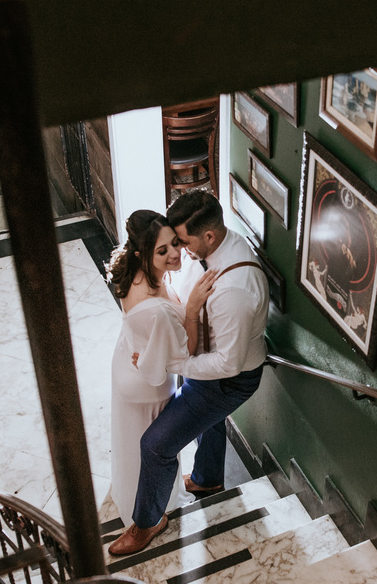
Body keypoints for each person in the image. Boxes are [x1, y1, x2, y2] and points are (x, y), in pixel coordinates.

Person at [108, 190, 269, 556]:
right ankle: (207, 479)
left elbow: (226, 365)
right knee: (207, 420)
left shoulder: (233, 292)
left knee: (156, 446)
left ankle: (147, 523)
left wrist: (176, 364)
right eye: (170, 243)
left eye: (182, 242)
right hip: (205, 362)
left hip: (226, 380)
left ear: (208, 236)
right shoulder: (214, 248)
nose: (179, 250)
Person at [105, 210, 217, 527]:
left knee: (132, 444)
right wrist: (192, 308)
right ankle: (150, 511)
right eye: (162, 250)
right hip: (147, 384)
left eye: (175, 244)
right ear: (142, 253)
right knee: (153, 449)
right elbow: (187, 351)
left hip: (129, 363)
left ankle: (142, 498)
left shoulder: (140, 272)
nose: (174, 254)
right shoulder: (154, 309)